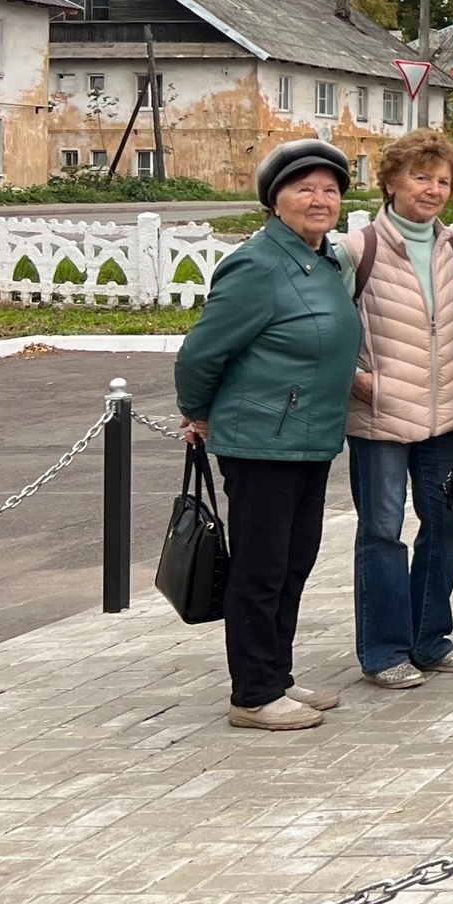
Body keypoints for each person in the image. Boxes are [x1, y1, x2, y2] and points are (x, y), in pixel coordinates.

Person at [174, 138, 364, 730]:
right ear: (274, 200)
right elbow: (201, 353)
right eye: (303, 188)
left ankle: (275, 674)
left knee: (293, 564)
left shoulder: (324, 260)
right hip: (261, 440)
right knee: (260, 568)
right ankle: (252, 694)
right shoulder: (257, 264)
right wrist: (197, 412)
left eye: (330, 189)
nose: (319, 199)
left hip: (309, 437)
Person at [341, 128, 453, 691]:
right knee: (382, 531)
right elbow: (328, 327)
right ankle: (383, 650)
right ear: (391, 181)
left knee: (447, 527)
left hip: (447, 414)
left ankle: (430, 638)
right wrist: (358, 381)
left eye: (443, 180)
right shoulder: (358, 248)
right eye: (421, 177)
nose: (434, 189)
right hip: (379, 417)